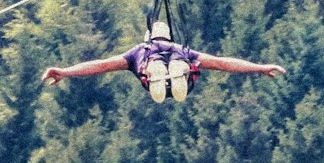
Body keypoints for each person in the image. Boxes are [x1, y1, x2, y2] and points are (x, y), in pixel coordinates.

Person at [42, 21, 286, 103]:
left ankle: (155, 71)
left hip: (145, 62)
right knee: (187, 77)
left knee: (151, 79)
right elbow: (224, 63)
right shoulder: (182, 48)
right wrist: (260, 68)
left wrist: (65, 71)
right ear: (167, 36)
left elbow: (99, 65)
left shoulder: (139, 50)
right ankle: (178, 73)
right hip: (181, 59)